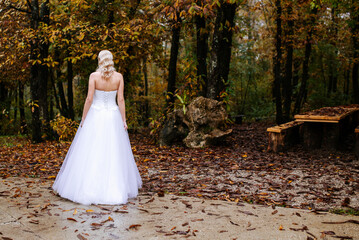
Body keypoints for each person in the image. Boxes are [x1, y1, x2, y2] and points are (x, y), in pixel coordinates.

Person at [52, 50, 142, 205]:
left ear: (100, 60)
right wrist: (123, 120)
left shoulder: (94, 76)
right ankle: (115, 189)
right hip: (113, 116)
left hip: (96, 115)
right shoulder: (119, 77)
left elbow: (89, 98)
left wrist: (84, 118)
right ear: (111, 60)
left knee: (91, 150)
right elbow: (120, 99)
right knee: (113, 151)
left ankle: (88, 187)